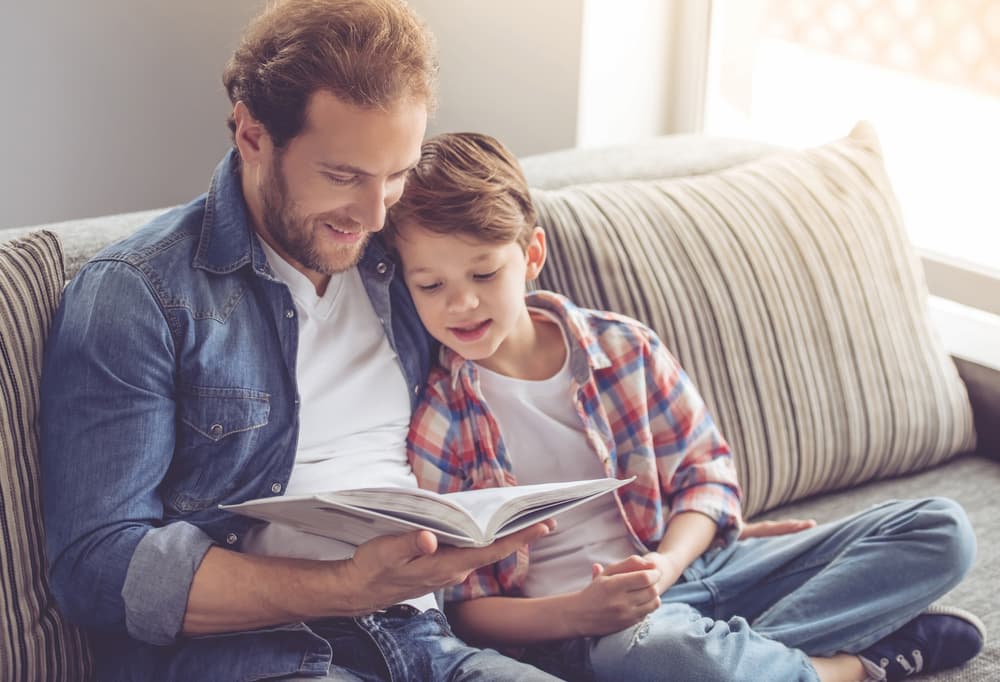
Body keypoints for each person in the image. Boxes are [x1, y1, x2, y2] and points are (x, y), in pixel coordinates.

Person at [38, 3, 565, 681]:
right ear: (253, 136)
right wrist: (348, 585)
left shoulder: (403, 261)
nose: (375, 215)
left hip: (425, 637)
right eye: (344, 176)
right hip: (256, 655)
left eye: (396, 174)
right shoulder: (140, 295)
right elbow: (98, 565)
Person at [384, 131, 987, 682]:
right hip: (599, 631)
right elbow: (461, 607)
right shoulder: (441, 423)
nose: (461, 303)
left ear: (532, 255)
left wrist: (670, 564)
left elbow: (708, 479)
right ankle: (846, 670)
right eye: (431, 286)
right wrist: (576, 613)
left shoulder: (623, 349)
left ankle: (746, 664)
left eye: (484, 273)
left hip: (701, 570)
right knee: (660, 655)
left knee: (941, 529)